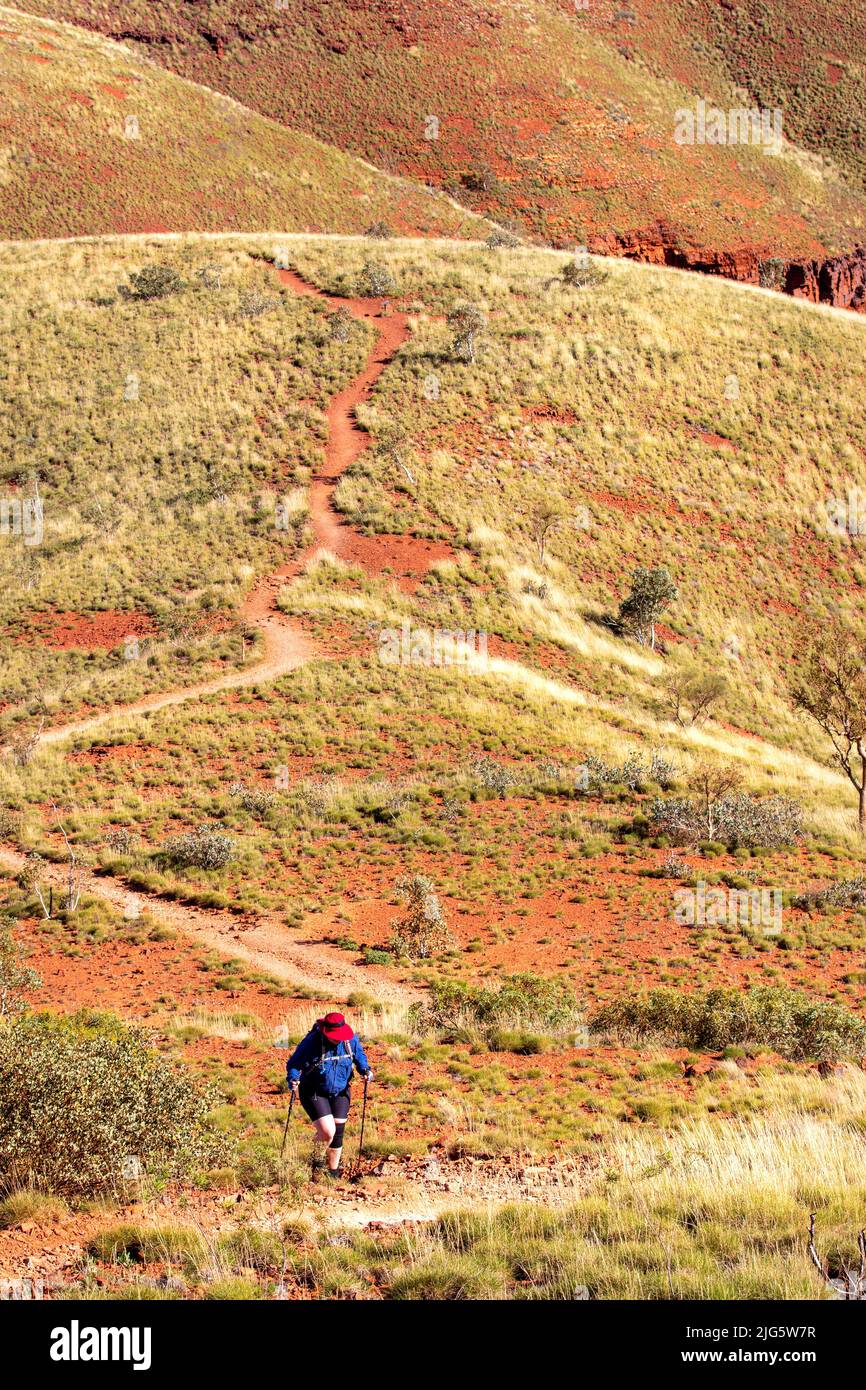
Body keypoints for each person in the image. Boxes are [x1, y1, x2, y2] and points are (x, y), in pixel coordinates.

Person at [286, 1012, 373, 1179]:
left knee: (338, 1129)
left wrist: (365, 1070)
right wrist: (293, 1078)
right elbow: (294, 1064)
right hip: (314, 1090)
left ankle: (332, 1174)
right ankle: (316, 1167)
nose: (338, 1039)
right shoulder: (311, 1042)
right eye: (335, 1037)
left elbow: (360, 1057)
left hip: (340, 1089)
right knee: (327, 1131)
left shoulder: (350, 1041)